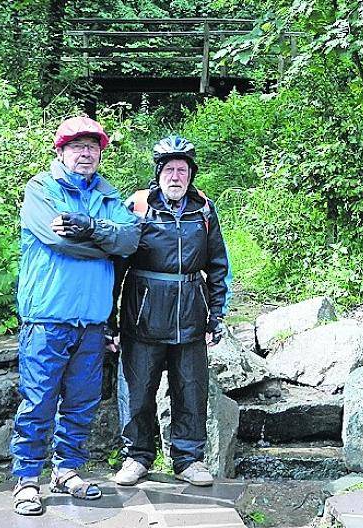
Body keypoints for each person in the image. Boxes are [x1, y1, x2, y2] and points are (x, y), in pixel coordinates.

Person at [12, 116, 140, 516]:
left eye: (93, 146)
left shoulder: (106, 193)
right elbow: (57, 240)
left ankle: (67, 470)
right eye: (77, 146)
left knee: (81, 403)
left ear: (100, 153)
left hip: (92, 321)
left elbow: (132, 239)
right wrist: (106, 242)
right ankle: (27, 479)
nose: (86, 153)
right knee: (38, 401)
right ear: (61, 151)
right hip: (48, 317)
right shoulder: (41, 189)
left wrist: (88, 229)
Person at [110, 135, 230, 488]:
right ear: (158, 173)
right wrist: (110, 322)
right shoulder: (139, 208)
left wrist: (216, 314)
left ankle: (188, 460)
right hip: (143, 316)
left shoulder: (204, 211)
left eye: (182, 170)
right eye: (169, 170)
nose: (175, 177)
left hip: (191, 316)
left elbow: (218, 265)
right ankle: (137, 457)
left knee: (191, 390)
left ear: (191, 174)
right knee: (137, 391)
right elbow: (117, 267)